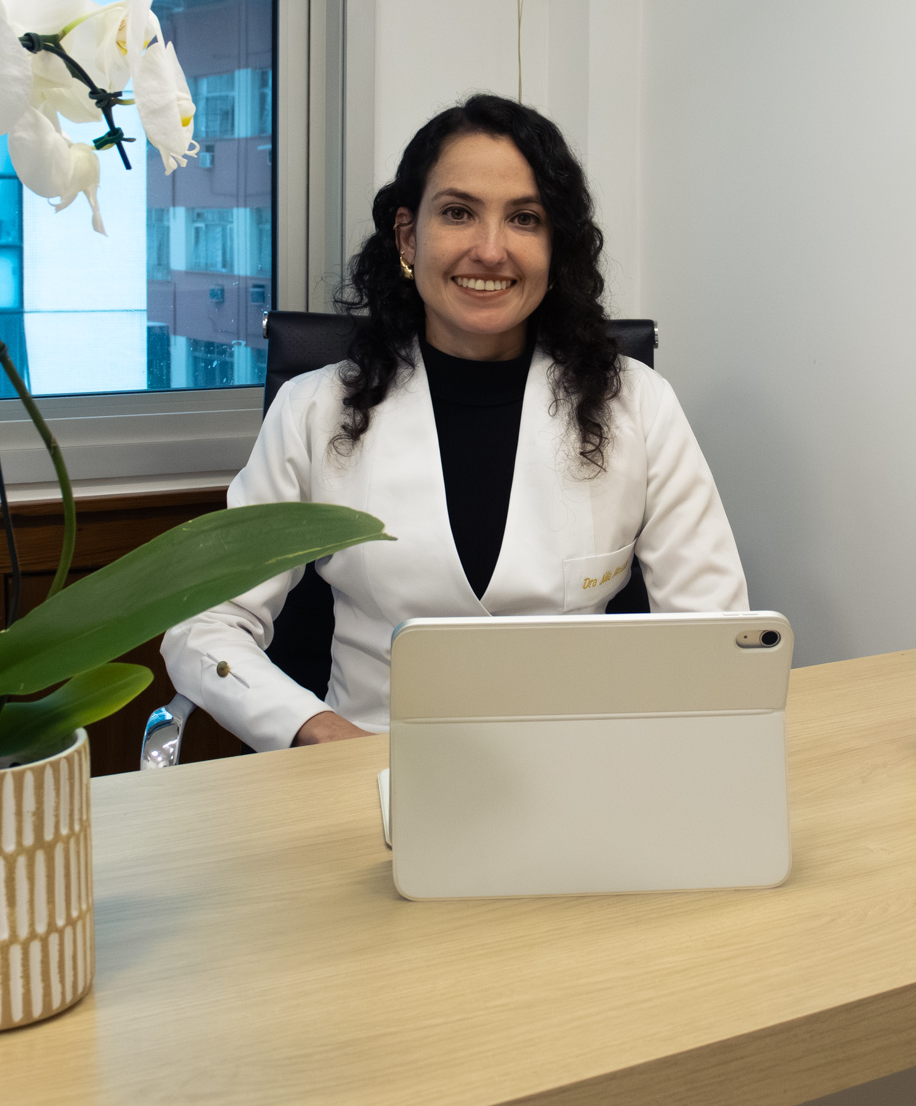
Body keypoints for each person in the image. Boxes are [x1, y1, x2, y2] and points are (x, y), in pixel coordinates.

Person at [161, 94, 747, 750]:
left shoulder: (638, 405)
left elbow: (714, 634)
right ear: (409, 237)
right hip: (371, 765)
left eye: (524, 218)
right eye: (458, 213)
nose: (490, 250)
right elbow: (204, 624)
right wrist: (319, 732)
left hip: (581, 765)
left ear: (555, 246)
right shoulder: (312, 411)